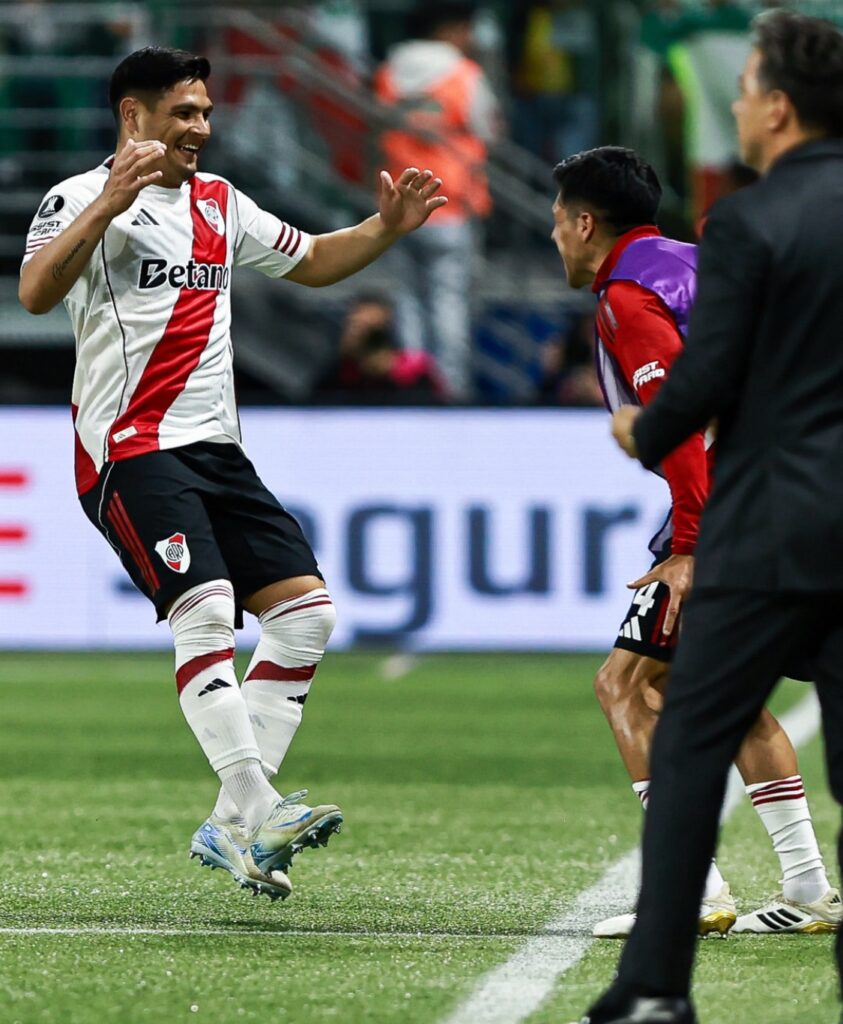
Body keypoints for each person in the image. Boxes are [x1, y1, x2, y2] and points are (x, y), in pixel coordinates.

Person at [19, 47, 447, 904]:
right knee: (208, 608)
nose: (201, 128)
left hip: (217, 451)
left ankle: (230, 824)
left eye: (206, 113)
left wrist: (386, 229)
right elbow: (34, 292)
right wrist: (108, 204)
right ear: (133, 116)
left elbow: (312, 260)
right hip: (130, 448)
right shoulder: (75, 197)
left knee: (305, 616)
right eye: (183, 113)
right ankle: (259, 802)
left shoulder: (219, 201)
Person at [575, 11, 843, 1024]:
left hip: (758, 514)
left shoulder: (735, 229)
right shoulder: (697, 251)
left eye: (741, 90)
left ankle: (670, 953)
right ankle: (808, 885)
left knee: (653, 699)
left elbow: (698, 392)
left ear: (776, 107)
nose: (732, 106)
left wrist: (655, 458)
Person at [374, 1, 501, 401]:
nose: (470, 38)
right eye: (466, 29)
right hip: (449, 204)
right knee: (449, 302)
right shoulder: (465, 74)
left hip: (398, 205)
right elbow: (490, 128)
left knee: (408, 301)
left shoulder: (389, 72)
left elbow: (375, 125)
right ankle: (451, 391)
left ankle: (413, 386)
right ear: (449, 29)